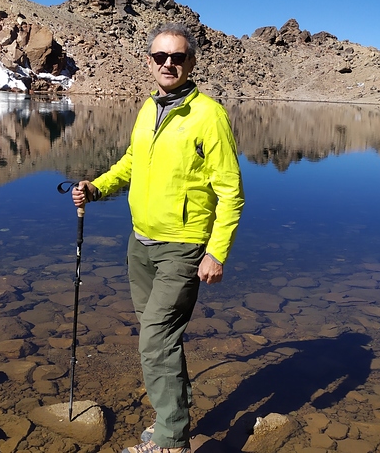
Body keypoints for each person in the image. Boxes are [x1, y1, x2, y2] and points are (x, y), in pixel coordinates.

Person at [72, 22, 245, 453]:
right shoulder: (149, 108)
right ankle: (175, 417)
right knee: (162, 338)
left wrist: (216, 253)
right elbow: (132, 162)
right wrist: (97, 187)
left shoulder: (209, 115)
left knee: (154, 340)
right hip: (141, 243)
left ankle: (170, 442)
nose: (168, 64)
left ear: (191, 62)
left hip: (183, 248)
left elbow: (231, 193)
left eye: (178, 57)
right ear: (149, 61)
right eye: (160, 57)